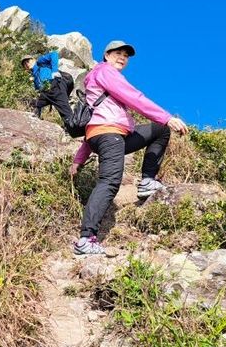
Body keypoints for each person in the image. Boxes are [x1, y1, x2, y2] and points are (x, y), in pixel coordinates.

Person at [69, 40, 189, 255]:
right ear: (106, 55)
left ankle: (147, 181)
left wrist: (78, 161)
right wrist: (167, 117)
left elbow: (92, 124)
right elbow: (134, 97)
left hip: (108, 135)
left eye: (126, 55)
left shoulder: (98, 78)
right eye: (118, 53)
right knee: (110, 182)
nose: (122, 57)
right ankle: (86, 239)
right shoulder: (106, 72)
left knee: (159, 130)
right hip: (109, 135)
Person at [21, 51, 74, 127]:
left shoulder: (40, 62)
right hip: (46, 92)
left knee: (65, 112)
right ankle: (34, 124)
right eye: (24, 64)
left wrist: (54, 71)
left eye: (28, 61)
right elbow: (38, 89)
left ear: (33, 59)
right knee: (35, 104)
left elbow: (54, 54)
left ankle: (73, 130)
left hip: (56, 86)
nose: (27, 64)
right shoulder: (34, 75)